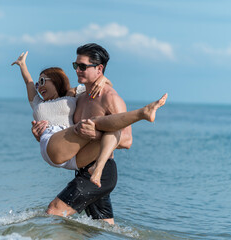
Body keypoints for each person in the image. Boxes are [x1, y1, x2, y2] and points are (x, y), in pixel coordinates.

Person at [31, 43, 167, 225]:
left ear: (99, 68)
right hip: (83, 168)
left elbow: (126, 140)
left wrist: (94, 134)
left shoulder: (110, 98)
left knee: (54, 211)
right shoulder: (78, 98)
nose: (77, 70)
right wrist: (42, 134)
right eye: (75, 66)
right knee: (104, 228)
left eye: (83, 66)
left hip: (100, 172)